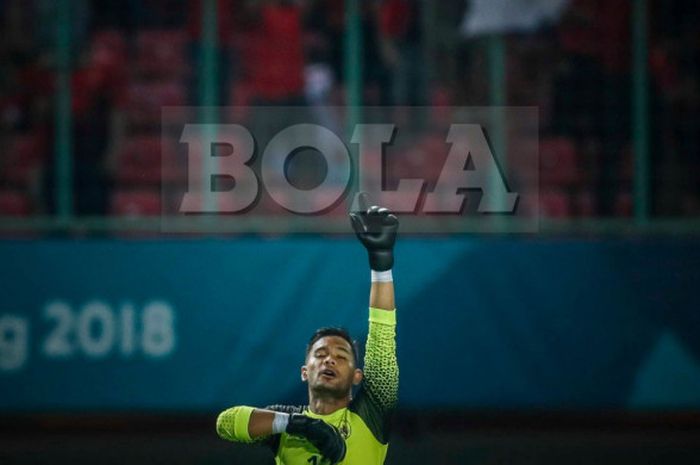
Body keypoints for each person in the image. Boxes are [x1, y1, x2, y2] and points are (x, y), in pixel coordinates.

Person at [216, 193, 399, 465]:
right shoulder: (287, 426)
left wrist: (381, 262)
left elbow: (382, 339)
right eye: (321, 354)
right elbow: (226, 423)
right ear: (304, 372)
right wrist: (299, 425)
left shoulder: (371, 414)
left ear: (357, 376)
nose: (330, 359)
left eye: (341, 356)